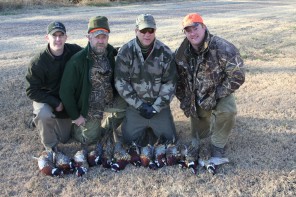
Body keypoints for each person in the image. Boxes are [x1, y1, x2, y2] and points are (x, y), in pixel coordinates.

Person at [175, 13, 245, 159]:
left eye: (195, 28)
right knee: (198, 137)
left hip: (219, 94)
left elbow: (238, 76)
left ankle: (218, 144)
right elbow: (177, 80)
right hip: (197, 98)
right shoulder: (181, 53)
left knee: (228, 111)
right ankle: (207, 119)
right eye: (188, 30)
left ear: (204, 27)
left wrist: (215, 95)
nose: (192, 33)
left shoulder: (223, 48)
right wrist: (186, 102)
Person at [59, 16, 126, 145]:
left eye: (104, 37)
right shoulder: (77, 61)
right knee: (90, 139)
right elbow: (65, 92)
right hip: (89, 106)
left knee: (129, 105)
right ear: (89, 37)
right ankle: (77, 130)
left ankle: (107, 128)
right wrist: (76, 117)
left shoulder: (111, 53)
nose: (101, 41)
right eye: (97, 37)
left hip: (109, 99)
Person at [114, 14, 177, 146]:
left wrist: (156, 107)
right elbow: (121, 82)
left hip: (158, 107)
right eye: (143, 31)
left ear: (155, 31)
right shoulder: (125, 52)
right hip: (136, 107)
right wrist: (139, 105)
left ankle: (156, 125)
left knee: (170, 140)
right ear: (136, 31)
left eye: (151, 31)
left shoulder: (165, 52)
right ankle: (143, 127)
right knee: (129, 141)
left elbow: (170, 84)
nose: (147, 34)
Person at [26, 21, 82, 151]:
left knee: (64, 137)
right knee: (43, 114)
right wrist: (54, 102)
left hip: (65, 101)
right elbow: (31, 90)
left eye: (61, 35)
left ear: (65, 37)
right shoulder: (38, 62)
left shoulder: (74, 50)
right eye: (54, 35)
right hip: (46, 99)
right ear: (47, 37)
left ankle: (43, 122)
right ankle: (50, 148)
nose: (58, 39)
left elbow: (91, 53)